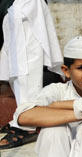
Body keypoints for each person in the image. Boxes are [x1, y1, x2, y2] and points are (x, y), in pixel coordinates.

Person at [0, 0, 63, 149]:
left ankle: (28, 125)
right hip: (10, 6)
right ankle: (20, 117)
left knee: (26, 65)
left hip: (25, 6)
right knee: (13, 67)